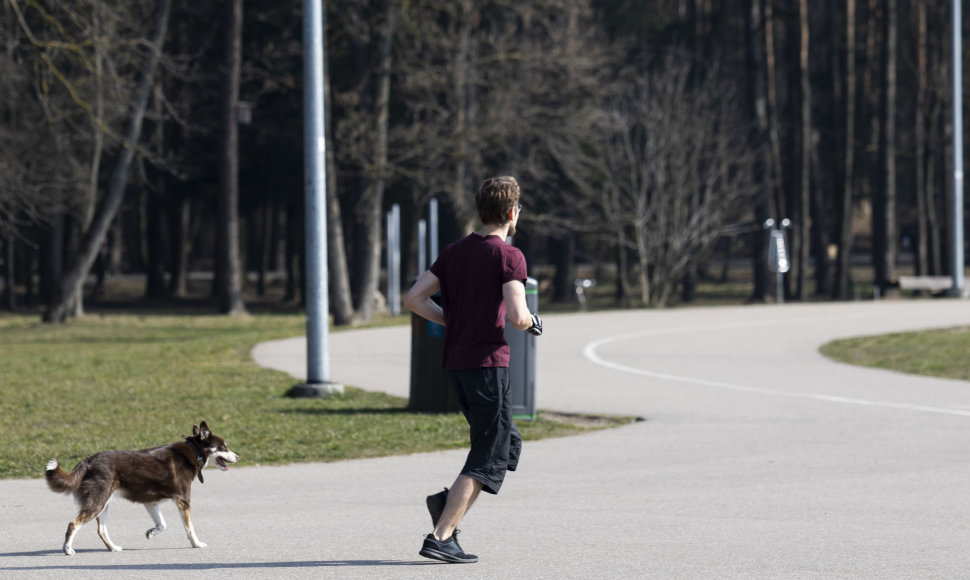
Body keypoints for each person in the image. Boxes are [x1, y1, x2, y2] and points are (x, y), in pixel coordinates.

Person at [404, 175, 542, 564]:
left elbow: (414, 298)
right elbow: (517, 317)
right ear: (513, 213)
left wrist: (454, 320)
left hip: (458, 368)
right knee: (489, 453)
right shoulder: (509, 256)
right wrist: (533, 320)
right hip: (488, 367)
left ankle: (446, 503)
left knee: (506, 444)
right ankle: (441, 535)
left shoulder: (454, 252)